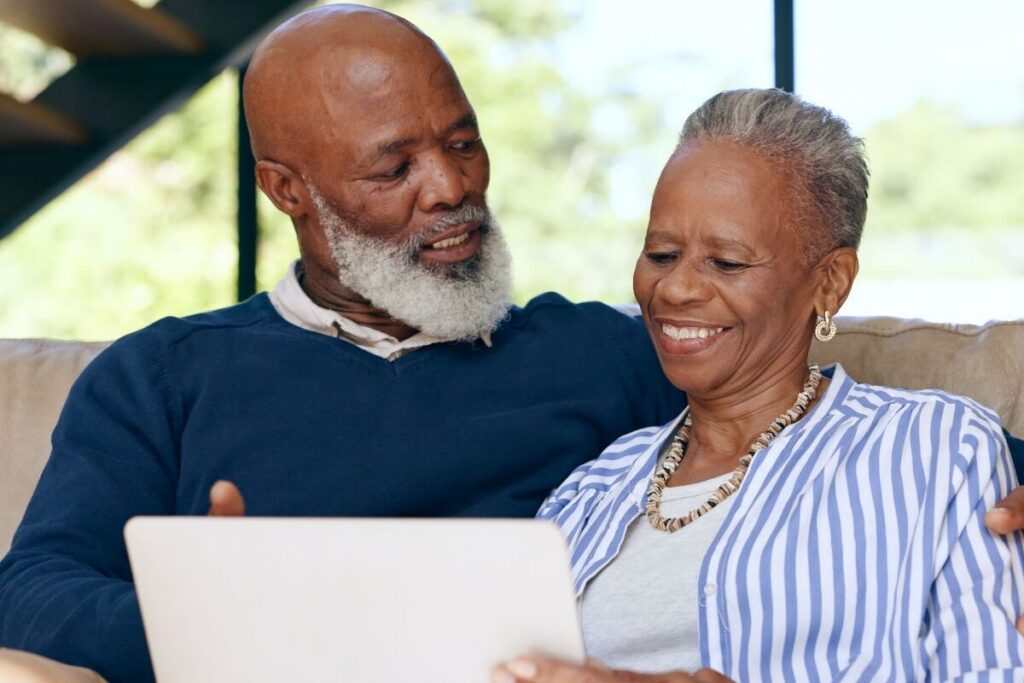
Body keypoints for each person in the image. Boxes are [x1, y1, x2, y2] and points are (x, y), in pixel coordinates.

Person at [1, 6, 1022, 683]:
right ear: (288, 191)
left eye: (459, 140)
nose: (449, 187)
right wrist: (235, 616)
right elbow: (33, 589)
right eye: (392, 165)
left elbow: (811, 415)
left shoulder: (599, 354)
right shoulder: (162, 376)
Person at [494, 89, 1024, 683]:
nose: (674, 290)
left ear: (830, 283)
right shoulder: (588, 493)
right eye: (662, 253)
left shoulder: (939, 449)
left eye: (726, 263)